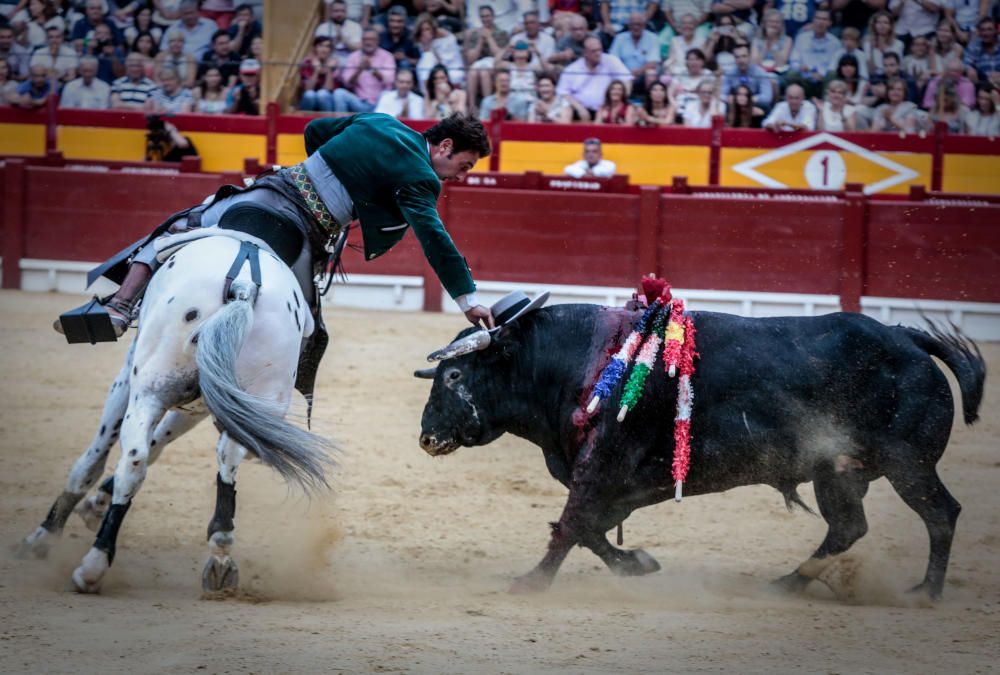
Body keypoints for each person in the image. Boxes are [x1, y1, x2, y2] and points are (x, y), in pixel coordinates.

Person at [62, 113, 495, 338]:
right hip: (306, 225)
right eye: (463, 165)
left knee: (181, 229)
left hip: (273, 186)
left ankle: (119, 307)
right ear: (443, 145)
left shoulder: (379, 121)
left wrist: (323, 168)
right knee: (305, 321)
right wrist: (466, 299)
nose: (461, 175)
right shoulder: (421, 176)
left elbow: (315, 130)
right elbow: (434, 238)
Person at [556, 36, 632, 118]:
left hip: (608, 109)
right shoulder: (572, 69)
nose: (598, 53)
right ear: (585, 53)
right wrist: (579, 108)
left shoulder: (612, 61)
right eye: (594, 51)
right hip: (580, 111)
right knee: (565, 109)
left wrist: (618, 103)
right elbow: (562, 93)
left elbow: (627, 80)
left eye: (600, 50)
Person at [334, 27, 395, 113]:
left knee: (386, 95)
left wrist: (372, 69)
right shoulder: (353, 57)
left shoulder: (387, 56)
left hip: (380, 103)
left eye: (372, 39)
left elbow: (389, 81)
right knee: (339, 93)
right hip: (359, 102)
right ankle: (341, 125)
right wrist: (359, 70)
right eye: (365, 39)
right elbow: (347, 83)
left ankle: (380, 125)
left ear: (378, 41)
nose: (368, 42)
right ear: (362, 41)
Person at [787, 8, 841, 99]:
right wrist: (800, 67)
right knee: (792, 74)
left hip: (824, 80)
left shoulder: (835, 43)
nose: (820, 22)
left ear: (830, 23)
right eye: (818, 18)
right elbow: (793, 61)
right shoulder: (802, 38)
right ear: (813, 20)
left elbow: (834, 66)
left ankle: (827, 105)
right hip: (804, 78)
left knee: (832, 74)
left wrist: (821, 74)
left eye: (824, 19)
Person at [413, 12, 464, 89]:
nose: (425, 32)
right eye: (422, 30)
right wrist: (427, 44)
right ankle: (426, 94)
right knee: (426, 61)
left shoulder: (446, 38)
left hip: (451, 66)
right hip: (433, 65)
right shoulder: (422, 39)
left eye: (427, 29)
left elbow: (443, 63)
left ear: (433, 27)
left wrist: (431, 46)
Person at [722, 42, 773, 110]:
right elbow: (721, 94)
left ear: (749, 57)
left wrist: (747, 99)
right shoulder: (730, 73)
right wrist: (732, 98)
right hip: (735, 105)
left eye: (744, 56)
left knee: (765, 107)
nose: (741, 60)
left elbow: (767, 97)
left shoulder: (760, 73)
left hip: (754, 105)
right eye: (737, 57)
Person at [610, 11, 659, 78]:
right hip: (623, 74)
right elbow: (613, 60)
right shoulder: (620, 38)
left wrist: (639, 72)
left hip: (644, 74)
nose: (636, 27)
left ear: (644, 25)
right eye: (633, 24)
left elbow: (653, 63)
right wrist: (626, 72)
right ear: (629, 25)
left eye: (639, 24)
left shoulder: (653, 38)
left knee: (651, 73)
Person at [299, 36, 339, 112]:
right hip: (310, 101)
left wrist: (329, 69)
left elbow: (329, 89)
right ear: (315, 48)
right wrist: (316, 70)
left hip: (327, 101)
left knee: (322, 94)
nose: (323, 50)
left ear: (330, 50)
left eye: (327, 47)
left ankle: (328, 122)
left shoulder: (335, 64)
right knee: (309, 95)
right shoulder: (307, 63)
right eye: (320, 46)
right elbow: (307, 89)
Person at [863, 10, 905, 77]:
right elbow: (870, 70)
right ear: (874, 25)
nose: (882, 26)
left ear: (891, 26)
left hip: (894, 78)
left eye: (885, 23)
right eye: (879, 22)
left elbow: (899, 68)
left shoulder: (899, 44)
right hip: (875, 78)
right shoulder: (867, 44)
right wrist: (871, 48)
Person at [751, 8, 791, 75]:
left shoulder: (787, 40)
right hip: (759, 74)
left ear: (782, 25)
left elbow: (781, 63)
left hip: (779, 74)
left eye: (777, 22)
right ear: (764, 23)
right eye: (771, 21)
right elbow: (753, 64)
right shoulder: (756, 40)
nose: (774, 25)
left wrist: (772, 43)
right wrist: (766, 46)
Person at [379, 5, 420, 71]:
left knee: (404, 63)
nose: (395, 25)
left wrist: (405, 58)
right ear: (388, 22)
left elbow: (419, 61)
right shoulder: (381, 37)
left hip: (407, 75)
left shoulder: (412, 37)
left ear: (405, 22)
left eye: (399, 21)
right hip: (384, 72)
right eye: (392, 21)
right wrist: (391, 57)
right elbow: (375, 60)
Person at [963, 17, 999, 88]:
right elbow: (965, 63)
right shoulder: (974, 46)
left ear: (995, 31)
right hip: (983, 84)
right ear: (979, 32)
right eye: (983, 30)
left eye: (989, 29)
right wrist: (969, 69)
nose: (986, 33)